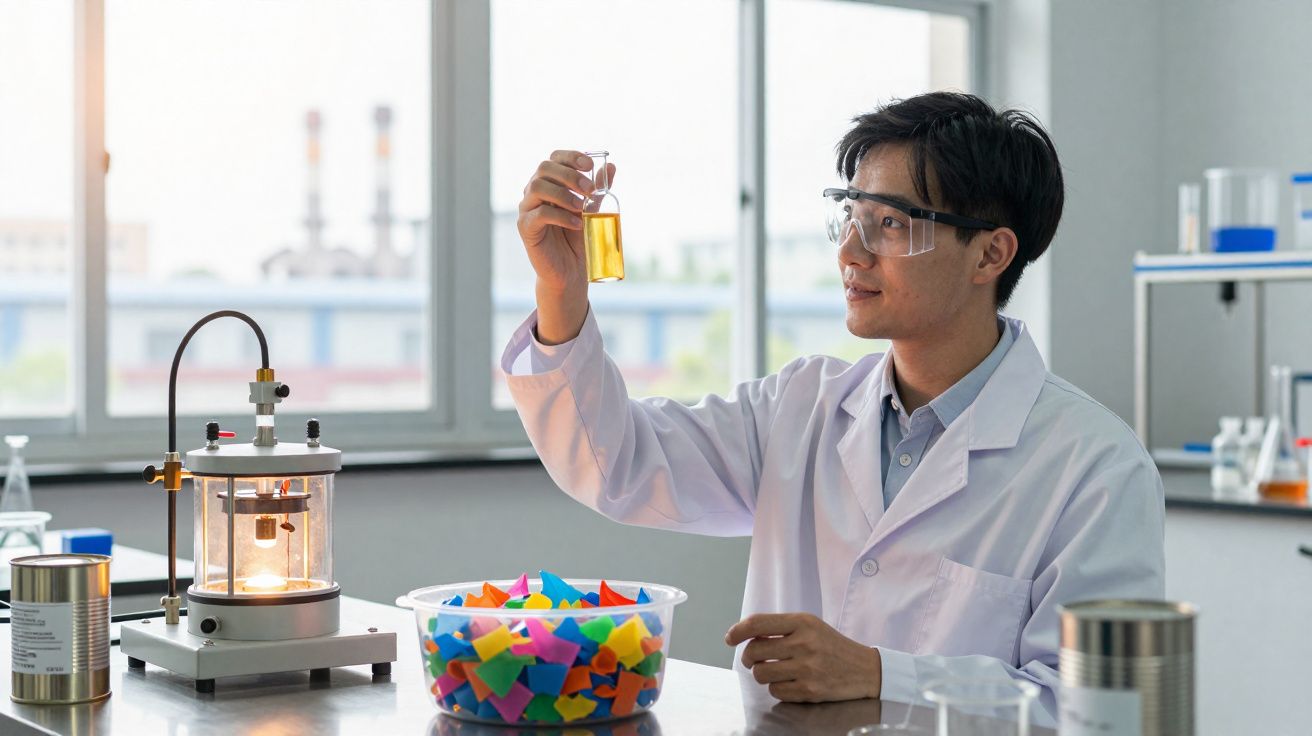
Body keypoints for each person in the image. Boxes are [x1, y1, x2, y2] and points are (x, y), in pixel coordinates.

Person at [498, 91, 1164, 723]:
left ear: (991, 253)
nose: (850, 252)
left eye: (889, 224)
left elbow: (1101, 710)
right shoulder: (801, 407)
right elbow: (617, 463)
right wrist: (561, 291)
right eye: (851, 217)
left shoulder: (1095, 467)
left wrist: (880, 674)